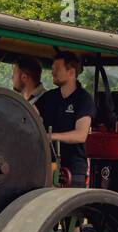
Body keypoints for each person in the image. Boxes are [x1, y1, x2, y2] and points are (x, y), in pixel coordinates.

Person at [35, 51, 95, 187]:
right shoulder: (48, 97)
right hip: (48, 166)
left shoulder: (84, 99)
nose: (52, 73)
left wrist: (50, 136)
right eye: (52, 69)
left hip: (73, 171)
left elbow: (80, 135)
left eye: (57, 69)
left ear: (71, 72)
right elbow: (28, 114)